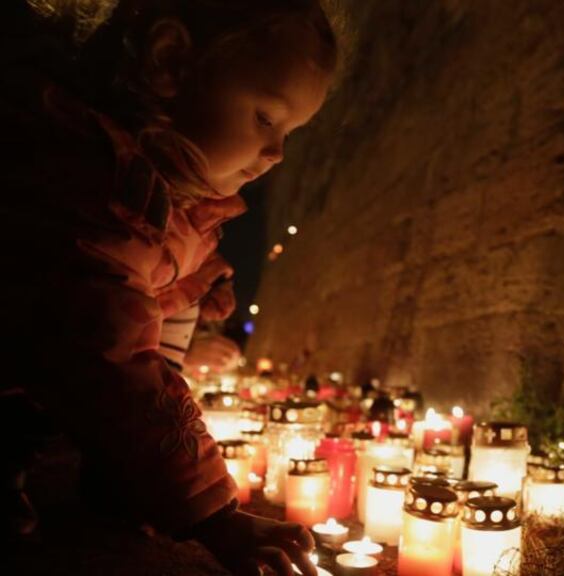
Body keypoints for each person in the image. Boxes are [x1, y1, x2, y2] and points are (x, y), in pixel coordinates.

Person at [0, 1, 337, 574]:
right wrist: (214, 514)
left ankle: (121, 472)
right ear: (170, 61)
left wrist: (204, 282)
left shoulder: (158, 202)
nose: (277, 153)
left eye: (289, 133)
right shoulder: (91, 192)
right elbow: (114, 359)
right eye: (265, 118)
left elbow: (150, 289)